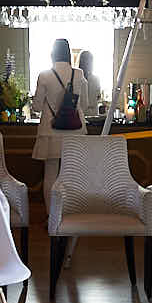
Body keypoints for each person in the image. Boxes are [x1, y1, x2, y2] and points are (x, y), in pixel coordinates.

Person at [30, 37, 94, 198]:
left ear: (52, 54)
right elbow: (84, 105)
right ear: (68, 54)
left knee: (50, 175)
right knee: (73, 175)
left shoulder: (44, 75)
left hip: (50, 132)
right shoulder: (79, 74)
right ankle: (70, 210)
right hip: (75, 131)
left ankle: (51, 212)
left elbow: (37, 107)